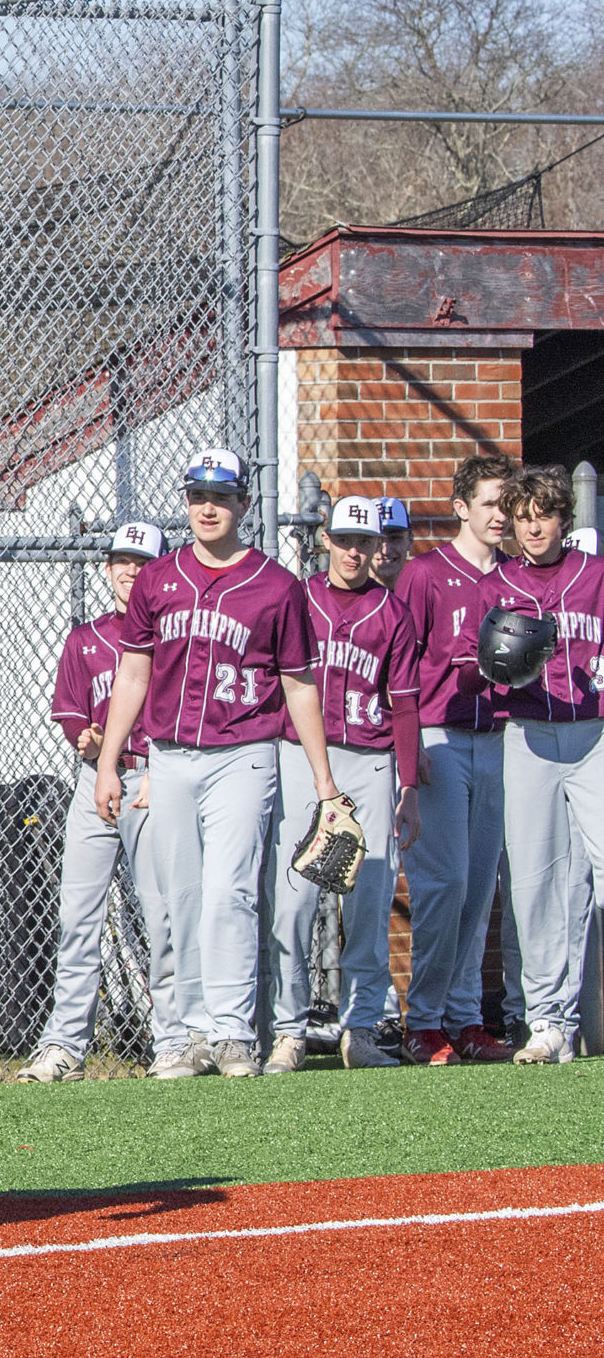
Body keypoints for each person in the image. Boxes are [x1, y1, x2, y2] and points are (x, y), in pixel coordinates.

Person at [96, 449, 337, 1078]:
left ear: (243, 505)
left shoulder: (276, 585)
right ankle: (179, 1035)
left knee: (231, 891)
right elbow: (134, 672)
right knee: (179, 896)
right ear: (186, 501)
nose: (209, 506)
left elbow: (299, 683)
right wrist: (109, 762)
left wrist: (324, 781)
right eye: (198, 494)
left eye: (222, 496)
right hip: (170, 755)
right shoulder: (159, 579)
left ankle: (231, 1032)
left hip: (245, 753)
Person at [20, 521, 186, 1082]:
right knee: (78, 915)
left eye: (142, 561)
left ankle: (174, 1039)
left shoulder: (173, 637)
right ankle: (65, 1044)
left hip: (153, 779)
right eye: (120, 559)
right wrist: (85, 742)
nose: (130, 570)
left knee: (160, 915)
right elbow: (71, 712)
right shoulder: (85, 639)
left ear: (161, 570)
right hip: (96, 783)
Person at [265, 496, 420, 1072]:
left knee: (370, 901)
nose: (354, 551)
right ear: (325, 539)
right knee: (295, 900)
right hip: (302, 756)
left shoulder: (391, 612)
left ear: (378, 545)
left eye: (365, 541)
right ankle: (289, 1028)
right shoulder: (298, 598)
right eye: (344, 539)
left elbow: (404, 705)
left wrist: (410, 788)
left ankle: (360, 1029)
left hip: (370, 758)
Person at [395, 455, 518, 1065]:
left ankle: (466, 1018)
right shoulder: (423, 574)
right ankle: (424, 1021)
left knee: (480, 886)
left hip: (499, 738)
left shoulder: (518, 578)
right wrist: (409, 748)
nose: (502, 514)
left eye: (508, 503)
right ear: (461, 506)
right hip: (440, 738)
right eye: (491, 502)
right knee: (441, 885)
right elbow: (401, 669)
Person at [486, 464, 600, 1064]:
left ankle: (580, 1014)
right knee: (532, 880)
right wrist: (488, 667)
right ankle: (548, 1021)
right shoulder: (498, 582)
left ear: (564, 519)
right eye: (524, 517)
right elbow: (467, 664)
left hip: (594, 735)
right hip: (527, 735)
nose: (534, 528)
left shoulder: (596, 575)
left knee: (598, 877)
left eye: (545, 515)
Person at [374, 497, 413, 586]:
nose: (385, 550)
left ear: (410, 540)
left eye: (395, 538)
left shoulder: (422, 594)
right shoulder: (347, 597)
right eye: (378, 539)